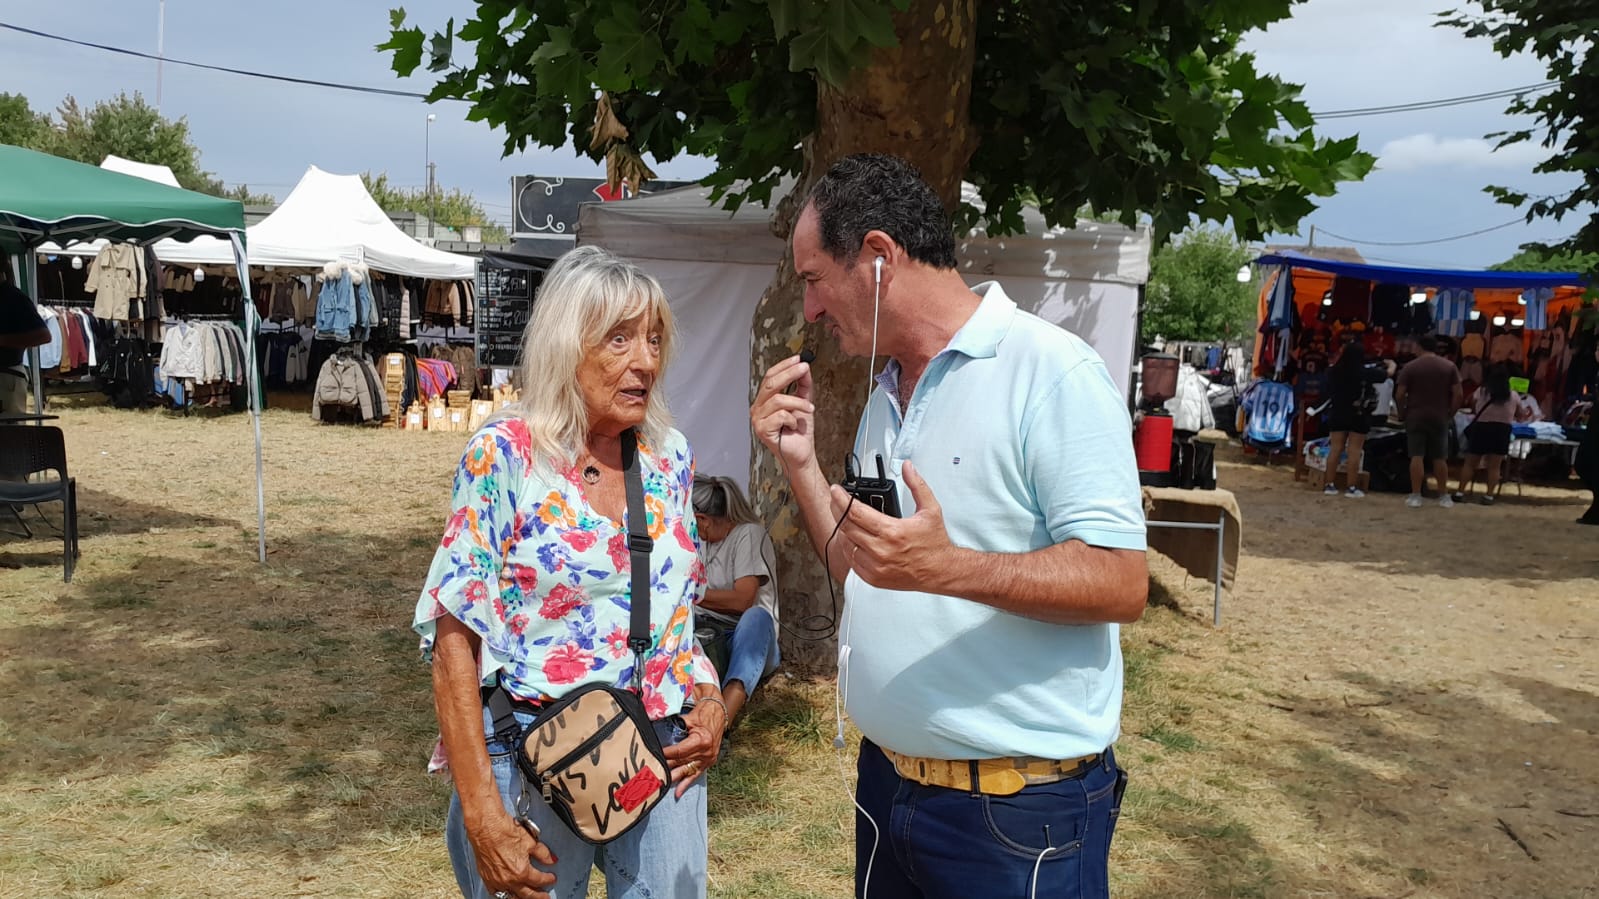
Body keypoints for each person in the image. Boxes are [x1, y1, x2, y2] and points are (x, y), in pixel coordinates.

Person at [751, 154, 1147, 899]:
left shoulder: (1050, 370)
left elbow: (1122, 582)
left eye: (813, 279)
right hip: (888, 786)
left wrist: (949, 566)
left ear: (877, 257)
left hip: (1015, 813)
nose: (809, 309)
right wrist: (800, 464)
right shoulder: (884, 393)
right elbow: (864, 571)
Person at [413, 246, 726, 899]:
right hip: (531, 752)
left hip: (659, 750)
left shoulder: (668, 457)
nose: (646, 360)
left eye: (654, 339)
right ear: (566, 346)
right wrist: (482, 813)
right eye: (620, 339)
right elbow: (453, 642)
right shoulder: (505, 456)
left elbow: (672, 610)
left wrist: (708, 697)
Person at [690, 474, 781, 726]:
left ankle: (722, 722)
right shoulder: (705, 542)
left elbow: (742, 600)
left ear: (703, 520)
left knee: (756, 617)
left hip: (750, 641)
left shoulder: (748, 535)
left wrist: (692, 594)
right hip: (712, 633)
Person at [1395, 335, 1462, 508]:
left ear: (1419, 347)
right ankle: (1443, 495)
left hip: (1416, 415)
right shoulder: (1449, 367)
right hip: (1439, 415)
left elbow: (1400, 394)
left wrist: (1402, 412)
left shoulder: (1410, 367)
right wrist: (1450, 413)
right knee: (1440, 457)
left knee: (1416, 455)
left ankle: (1416, 495)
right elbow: (1458, 394)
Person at [1321, 336, 1383, 498]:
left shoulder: (1333, 371)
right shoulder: (1364, 372)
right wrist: (1391, 365)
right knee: (1354, 450)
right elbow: (1385, 375)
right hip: (1358, 414)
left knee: (1335, 448)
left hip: (1337, 412)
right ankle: (1351, 487)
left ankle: (1329, 484)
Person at [1453, 363, 1518, 505]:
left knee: (1470, 463)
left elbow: (1473, 406)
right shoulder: (1513, 395)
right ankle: (1489, 496)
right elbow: (1519, 413)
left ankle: (1460, 492)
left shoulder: (1481, 391)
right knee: (1494, 466)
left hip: (1481, 427)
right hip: (1502, 430)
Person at [0, 265, 49, 415]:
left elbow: (43, 335)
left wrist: (2, 340)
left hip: (6, 376)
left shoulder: (13, 297)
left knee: (8, 428)